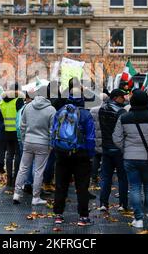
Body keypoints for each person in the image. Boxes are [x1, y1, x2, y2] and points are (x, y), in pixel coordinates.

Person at [113, 90, 148, 228]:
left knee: (134, 188)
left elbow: (116, 138)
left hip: (130, 158)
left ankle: (138, 219)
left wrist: (125, 149)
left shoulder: (124, 117)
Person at [52, 89, 96, 226]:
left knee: (61, 184)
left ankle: (58, 215)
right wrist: (90, 155)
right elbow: (90, 137)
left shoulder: (59, 112)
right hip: (81, 155)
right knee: (82, 186)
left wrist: (56, 149)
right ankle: (83, 217)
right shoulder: (86, 114)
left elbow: (53, 132)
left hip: (62, 153)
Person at [13, 85, 56, 206]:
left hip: (28, 141)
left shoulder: (28, 107)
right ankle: (35, 197)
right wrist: (51, 144)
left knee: (23, 168)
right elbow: (53, 130)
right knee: (38, 170)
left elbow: (22, 126)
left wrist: (23, 139)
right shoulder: (51, 110)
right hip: (43, 143)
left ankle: (17, 193)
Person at [98, 89, 128, 211]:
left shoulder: (102, 109)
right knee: (122, 177)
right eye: (122, 97)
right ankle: (122, 204)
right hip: (119, 148)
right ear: (116, 98)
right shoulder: (121, 111)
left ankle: (103, 203)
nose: (124, 99)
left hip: (106, 147)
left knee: (106, 177)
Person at [0, 84, 25, 187]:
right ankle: (16, 179)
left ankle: (9, 179)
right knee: (18, 154)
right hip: (16, 131)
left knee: (9, 154)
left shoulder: (2, 102)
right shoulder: (18, 101)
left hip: (7, 131)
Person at [90, 94, 107, 185]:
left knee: (96, 158)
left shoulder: (92, 110)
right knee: (105, 158)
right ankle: (104, 177)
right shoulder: (108, 109)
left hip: (95, 136)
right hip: (105, 137)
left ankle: (94, 177)